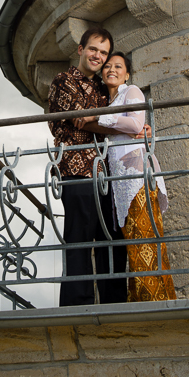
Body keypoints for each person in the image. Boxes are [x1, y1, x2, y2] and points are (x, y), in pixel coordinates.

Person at [77, 51, 176, 301]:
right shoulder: (107, 103)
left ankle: (157, 301)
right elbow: (119, 127)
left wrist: (98, 117)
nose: (111, 69)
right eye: (107, 66)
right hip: (119, 182)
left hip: (136, 177)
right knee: (133, 244)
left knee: (145, 239)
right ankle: (140, 300)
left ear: (127, 73)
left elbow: (134, 126)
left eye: (118, 66)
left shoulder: (131, 92)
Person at [47, 28, 127, 305]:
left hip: (106, 172)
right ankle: (76, 303)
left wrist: (132, 125)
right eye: (94, 49)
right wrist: (125, 127)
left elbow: (113, 116)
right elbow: (81, 119)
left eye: (103, 53)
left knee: (111, 237)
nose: (98, 56)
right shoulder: (64, 80)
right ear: (81, 49)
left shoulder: (103, 87)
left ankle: (114, 301)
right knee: (79, 238)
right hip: (76, 167)